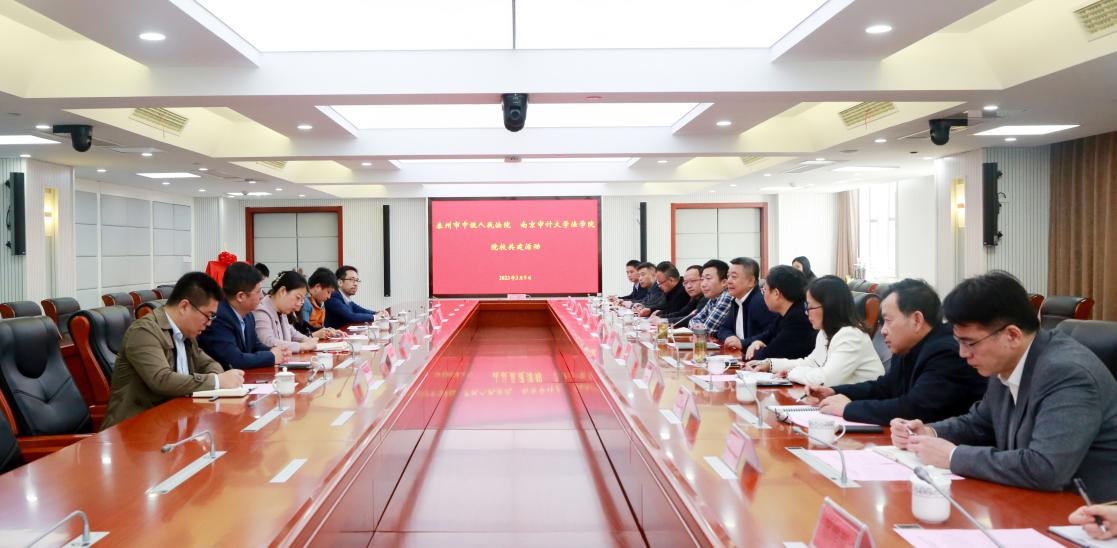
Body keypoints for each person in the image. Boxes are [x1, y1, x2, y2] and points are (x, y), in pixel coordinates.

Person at [891, 271, 1117, 501]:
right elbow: (979, 423)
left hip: (1086, 510)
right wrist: (929, 432)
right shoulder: (1007, 361)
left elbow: (1045, 468)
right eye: (958, 342)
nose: (962, 353)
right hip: (1032, 501)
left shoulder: (1066, 373)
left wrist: (953, 456)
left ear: (1012, 335)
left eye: (970, 343)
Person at [804, 279, 986, 425]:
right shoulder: (907, 347)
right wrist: (833, 391)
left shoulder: (947, 353)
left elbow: (915, 408)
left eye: (888, 321)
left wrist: (848, 408)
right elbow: (885, 388)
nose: (882, 331)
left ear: (917, 320)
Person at [102, 272, 245, 428]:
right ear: (184, 306)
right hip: (134, 429)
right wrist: (216, 381)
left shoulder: (186, 333)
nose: (209, 323)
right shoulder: (144, 331)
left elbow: (209, 363)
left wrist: (216, 378)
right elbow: (161, 380)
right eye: (208, 315)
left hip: (172, 422)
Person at [746, 275, 883, 386]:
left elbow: (825, 379)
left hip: (864, 404)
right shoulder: (825, 332)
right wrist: (770, 364)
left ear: (829, 307)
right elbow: (811, 363)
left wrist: (790, 373)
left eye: (810, 307)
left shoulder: (851, 335)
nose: (806, 313)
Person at [198, 262, 287, 369]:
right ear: (241, 296)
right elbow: (234, 360)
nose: (262, 296)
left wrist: (275, 351)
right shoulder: (218, 317)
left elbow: (255, 345)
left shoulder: (248, 315)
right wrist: (271, 357)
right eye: (258, 291)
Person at [255, 271, 343, 353]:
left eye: (302, 299)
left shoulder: (282, 311)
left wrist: (307, 340)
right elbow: (268, 342)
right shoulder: (261, 310)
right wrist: (302, 346)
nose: (299, 305)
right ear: (282, 291)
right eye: (298, 298)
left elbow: (293, 333)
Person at [743, 265, 817, 361]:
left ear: (776, 294)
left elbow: (769, 356)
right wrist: (756, 342)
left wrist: (756, 349)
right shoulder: (787, 311)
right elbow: (768, 335)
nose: (763, 294)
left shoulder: (799, 319)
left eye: (764, 290)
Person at [718, 257, 777, 352]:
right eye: (728, 276)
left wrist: (743, 343)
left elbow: (770, 335)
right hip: (739, 354)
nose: (728, 281)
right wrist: (730, 337)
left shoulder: (760, 302)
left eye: (734, 277)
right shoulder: (736, 300)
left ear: (751, 281)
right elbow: (723, 328)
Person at [689, 259, 734, 333]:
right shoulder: (713, 298)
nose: (703, 284)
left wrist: (698, 328)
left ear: (724, 282)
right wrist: (699, 327)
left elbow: (707, 331)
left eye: (708, 278)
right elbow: (693, 320)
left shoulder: (726, 297)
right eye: (702, 279)